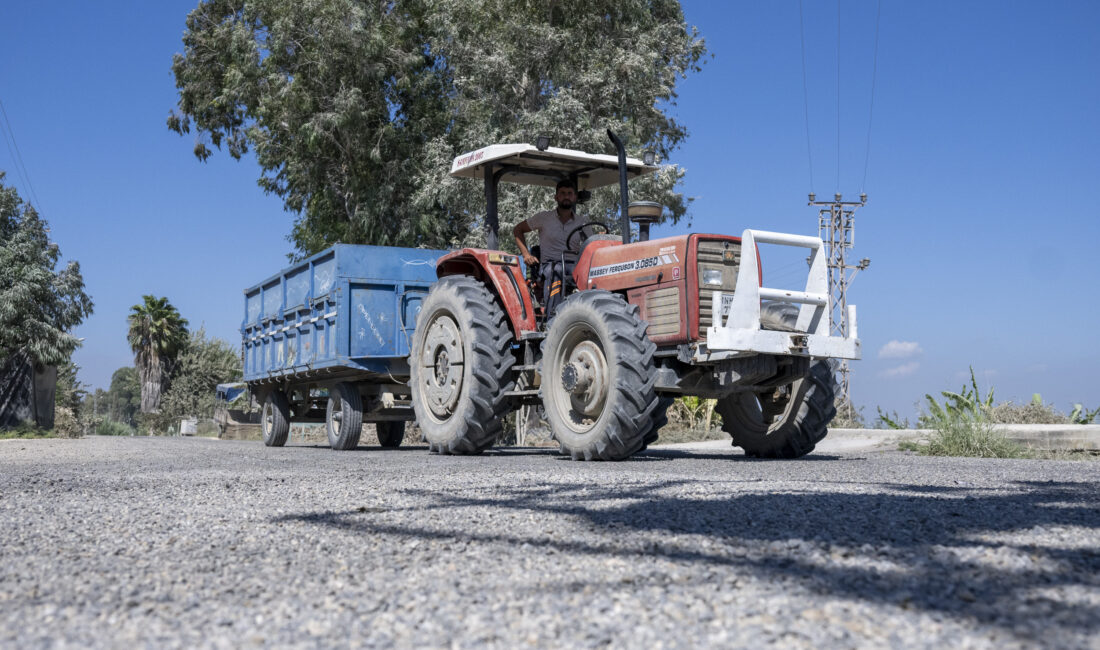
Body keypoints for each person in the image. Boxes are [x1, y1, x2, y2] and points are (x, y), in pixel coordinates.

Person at [512, 179, 592, 317]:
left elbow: (590, 245)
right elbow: (518, 230)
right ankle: (552, 317)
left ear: (575, 197)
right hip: (549, 265)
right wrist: (526, 255)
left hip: (574, 265)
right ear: (556, 197)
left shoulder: (582, 222)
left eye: (569, 193)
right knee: (557, 270)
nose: (566, 196)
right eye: (562, 193)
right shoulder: (544, 218)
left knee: (594, 273)